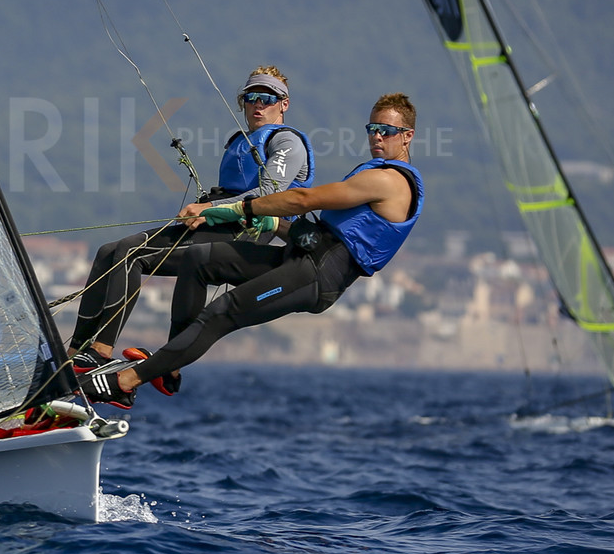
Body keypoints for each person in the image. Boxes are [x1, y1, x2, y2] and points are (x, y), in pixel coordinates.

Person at [80, 93, 422, 407]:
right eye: (372, 128)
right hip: (300, 257)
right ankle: (168, 368)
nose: (377, 137)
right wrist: (276, 225)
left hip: (317, 278)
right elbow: (319, 230)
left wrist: (238, 210)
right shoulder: (375, 174)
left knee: (221, 312)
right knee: (201, 260)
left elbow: (303, 199)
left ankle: (124, 382)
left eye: (387, 131)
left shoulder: (390, 181)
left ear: (407, 136)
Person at [66, 68, 314, 375]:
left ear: (284, 104)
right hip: (218, 220)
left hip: (245, 231)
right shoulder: (243, 139)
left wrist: (209, 209)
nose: (257, 105)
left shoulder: (288, 142)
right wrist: (210, 209)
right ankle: (74, 353)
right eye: (251, 98)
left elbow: (266, 194)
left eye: (267, 98)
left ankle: (101, 350)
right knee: (109, 252)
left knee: (132, 256)